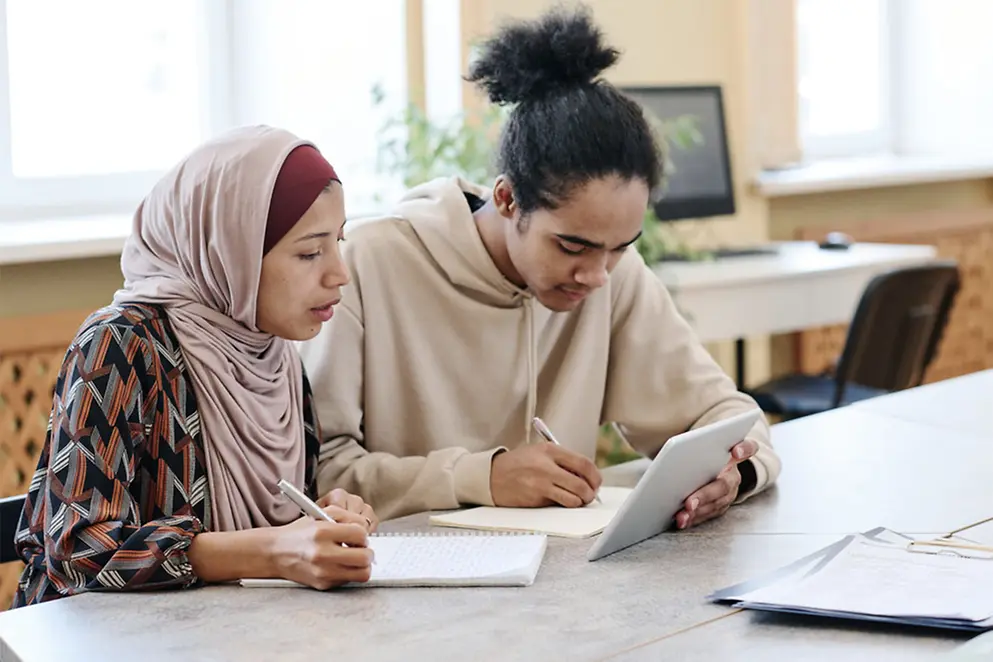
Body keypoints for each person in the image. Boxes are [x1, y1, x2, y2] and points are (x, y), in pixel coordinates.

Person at [299, 6, 781, 524]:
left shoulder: (614, 277)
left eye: (619, 247)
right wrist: (481, 477)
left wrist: (733, 472)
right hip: (400, 564)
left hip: (559, 565)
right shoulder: (368, 263)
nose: (596, 275)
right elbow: (320, 473)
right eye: (572, 247)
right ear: (507, 199)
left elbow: (726, 416)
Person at [12, 126, 378, 608]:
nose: (339, 273)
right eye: (310, 252)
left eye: (338, 241)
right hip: (104, 636)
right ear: (229, 250)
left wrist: (322, 520)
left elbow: (280, 526)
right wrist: (271, 551)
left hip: (238, 627)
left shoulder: (273, 355)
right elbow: (78, 549)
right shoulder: (120, 344)